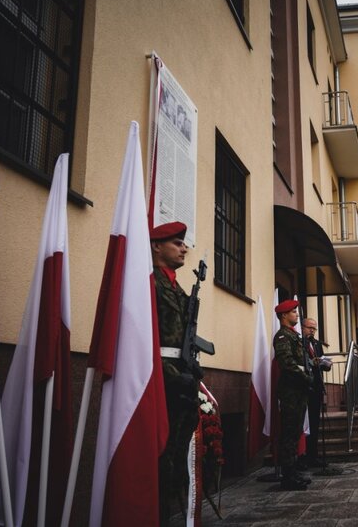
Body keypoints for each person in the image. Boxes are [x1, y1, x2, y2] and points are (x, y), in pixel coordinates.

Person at [151, 221, 200, 525]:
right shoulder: (150, 283)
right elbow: (145, 339)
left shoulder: (177, 288)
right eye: (177, 243)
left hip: (182, 380)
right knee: (162, 456)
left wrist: (192, 368)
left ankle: (171, 512)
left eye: (184, 243)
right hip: (162, 382)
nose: (184, 249)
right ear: (157, 246)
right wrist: (173, 375)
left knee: (178, 455)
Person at [273, 299, 314, 490]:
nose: (297, 314)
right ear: (284, 315)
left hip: (298, 390)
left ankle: (293, 472)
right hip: (290, 390)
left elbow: (301, 360)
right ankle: (288, 477)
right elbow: (287, 363)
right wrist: (306, 377)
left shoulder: (294, 336)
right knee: (289, 433)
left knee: (296, 431)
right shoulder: (283, 336)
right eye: (293, 311)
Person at [299, 318, 331, 468]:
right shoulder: (299, 343)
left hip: (316, 387)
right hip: (304, 388)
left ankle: (313, 455)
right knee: (303, 424)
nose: (312, 330)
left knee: (314, 423)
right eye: (309, 327)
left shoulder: (317, 344)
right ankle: (302, 456)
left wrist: (326, 364)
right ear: (302, 327)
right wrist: (312, 363)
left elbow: (322, 364)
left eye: (314, 328)